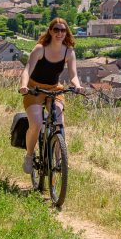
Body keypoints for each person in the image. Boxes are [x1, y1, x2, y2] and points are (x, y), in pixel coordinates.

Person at [18, 18, 82, 174]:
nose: (59, 33)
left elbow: (73, 75)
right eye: (56, 30)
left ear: (66, 32)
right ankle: (29, 155)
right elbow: (27, 69)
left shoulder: (69, 52)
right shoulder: (40, 49)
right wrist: (24, 86)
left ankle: (60, 159)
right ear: (50, 31)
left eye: (63, 30)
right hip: (34, 89)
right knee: (37, 123)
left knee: (59, 122)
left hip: (54, 89)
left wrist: (77, 85)